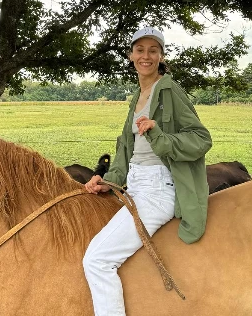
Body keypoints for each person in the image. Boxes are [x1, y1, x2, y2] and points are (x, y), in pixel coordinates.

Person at [83, 27, 212, 316]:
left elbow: (201, 139)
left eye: (153, 50)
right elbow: (126, 148)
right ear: (131, 56)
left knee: (97, 260)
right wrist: (109, 181)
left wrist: (160, 136)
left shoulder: (169, 90)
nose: (146, 56)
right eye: (140, 50)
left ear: (161, 56)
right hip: (136, 185)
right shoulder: (139, 95)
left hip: (157, 190)